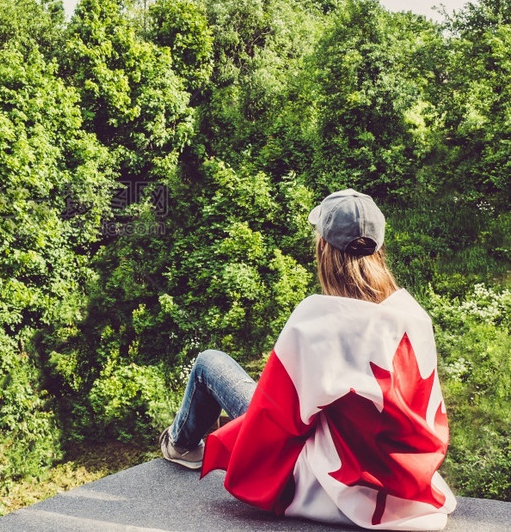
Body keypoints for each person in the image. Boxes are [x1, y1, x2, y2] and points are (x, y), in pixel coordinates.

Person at [160, 189, 457, 530]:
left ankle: (181, 444)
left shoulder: (316, 319)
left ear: (323, 249)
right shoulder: (412, 317)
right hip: (402, 479)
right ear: (379, 248)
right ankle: (182, 442)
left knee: (209, 363)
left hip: (329, 476)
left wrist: (233, 447)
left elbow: (274, 417)